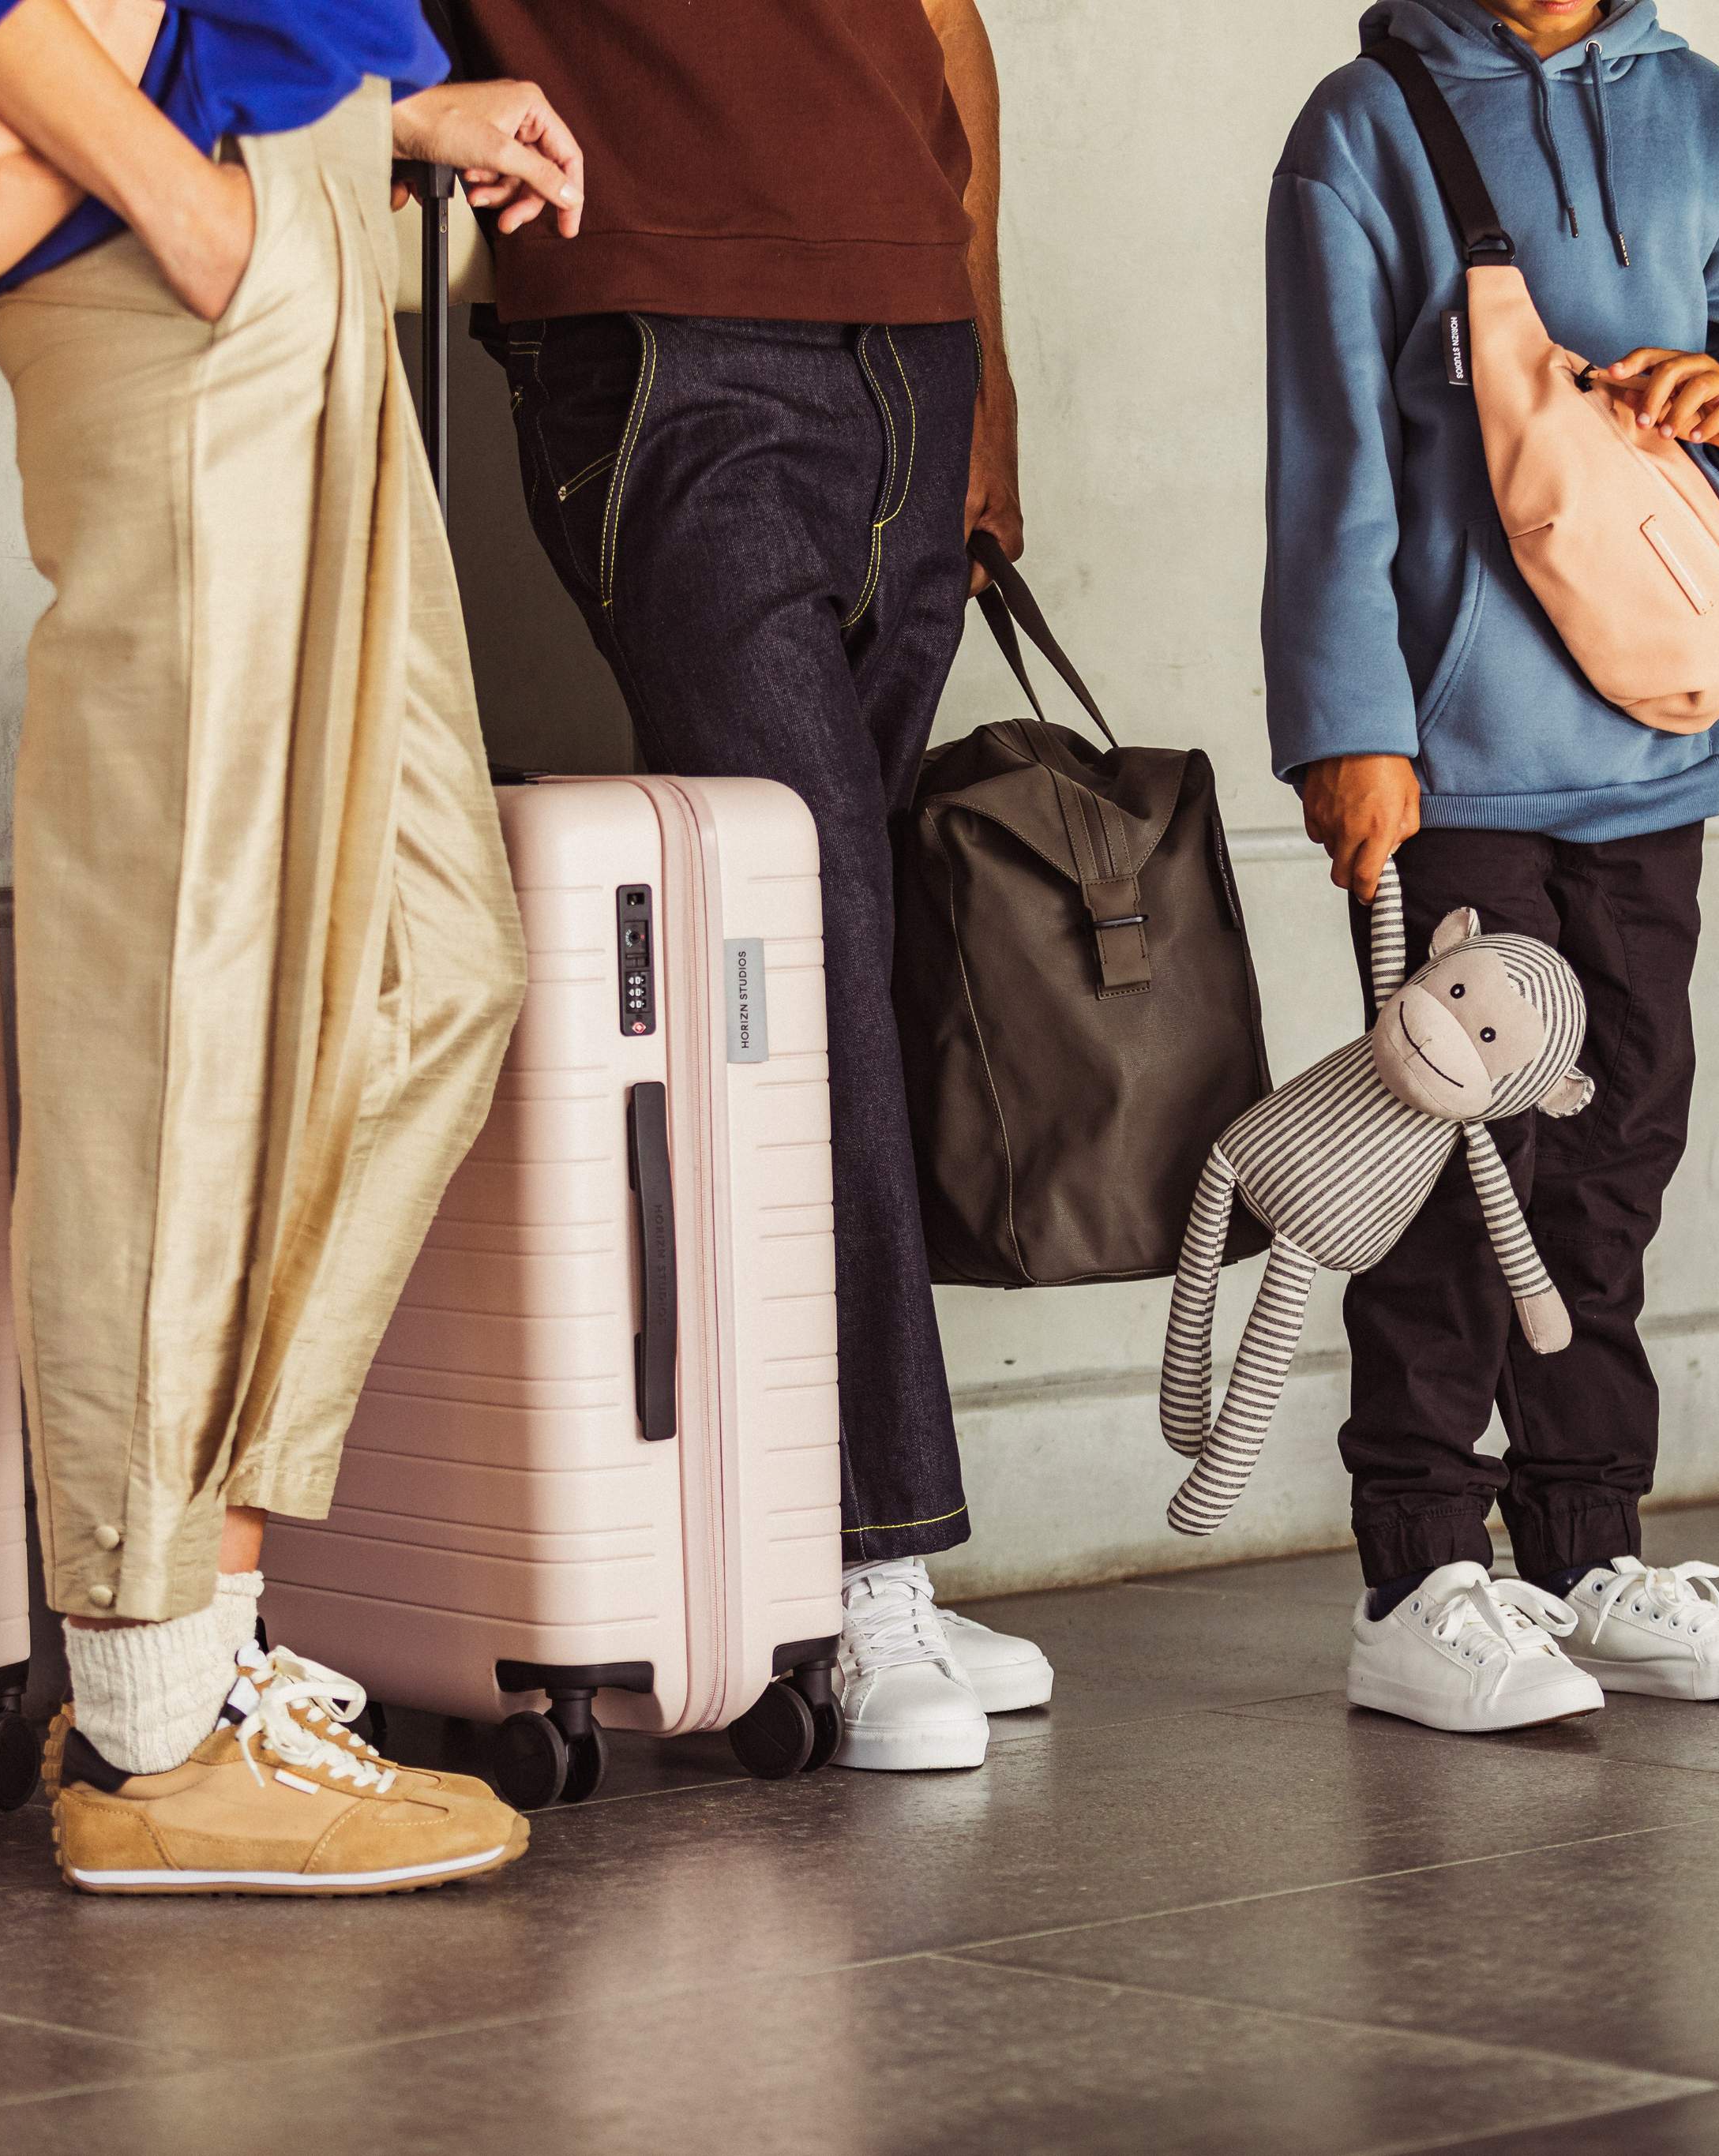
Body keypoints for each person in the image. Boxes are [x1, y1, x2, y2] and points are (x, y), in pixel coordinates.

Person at [0, 0, 585, 1888]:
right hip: (168, 235)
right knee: (175, 1001)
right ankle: (156, 1716)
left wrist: (378, 99)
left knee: (429, 963)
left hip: (292, 193)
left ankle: (194, 1649)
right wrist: (175, 191)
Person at [438, 0, 1049, 1772]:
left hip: (906, 349)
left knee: (840, 950)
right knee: (809, 938)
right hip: (660, 338)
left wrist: (983, 355)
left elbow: (945, 22)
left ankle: (815, 1541)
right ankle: (858, 1567)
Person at [1265, 0, 1719, 1732]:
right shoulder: (1363, 125)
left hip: (1651, 741)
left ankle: (1586, 1539)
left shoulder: (1705, 112)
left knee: (1617, 1139)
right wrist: (1346, 725)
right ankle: (1420, 1567)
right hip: (1455, 753)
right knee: (1462, 1154)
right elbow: (1329, 460)